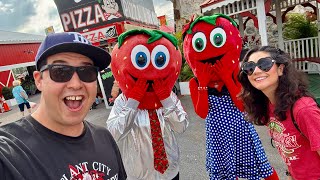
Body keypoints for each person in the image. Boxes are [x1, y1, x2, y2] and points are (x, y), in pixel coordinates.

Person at [0, 32, 127, 180]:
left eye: (87, 72)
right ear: (39, 80)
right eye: (60, 71)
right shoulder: (10, 156)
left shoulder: (105, 137)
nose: (76, 84)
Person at [182, 14, 279, 179]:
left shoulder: (236, 75)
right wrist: (203, 84)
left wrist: (227, 77)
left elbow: (242, 106)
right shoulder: (195, 83)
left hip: (241, 130)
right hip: (217, 136)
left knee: (262, 168)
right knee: (226, 173)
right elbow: (202, 113)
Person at [107, 29, 189, 180]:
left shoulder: (168, 96)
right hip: (139, 174)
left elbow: (181, 126)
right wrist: (133, 101)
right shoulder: (123, 101)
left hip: (170, 170)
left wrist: (165, 100)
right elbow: (114, 133)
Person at [238, 46, 320, 180]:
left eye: (264, 64)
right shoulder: (269, 107)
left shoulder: (304, 110)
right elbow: (291, 154)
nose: (256, 71)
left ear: (280, 69)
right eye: (249, 67)